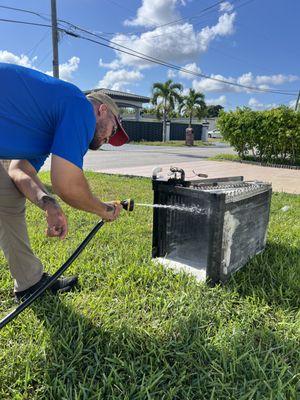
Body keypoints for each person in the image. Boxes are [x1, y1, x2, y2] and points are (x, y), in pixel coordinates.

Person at [0, 62, 129, 302]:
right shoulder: (79, 106)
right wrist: (105, 210)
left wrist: (48, 203)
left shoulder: (43, 129)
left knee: (7, 197)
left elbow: (19, 170)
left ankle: (29, 283)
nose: (109, 138)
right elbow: (66, 184)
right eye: (113, 128)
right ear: (102, 110)